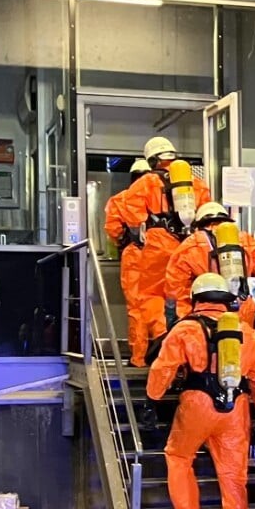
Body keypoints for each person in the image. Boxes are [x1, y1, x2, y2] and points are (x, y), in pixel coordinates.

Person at [146, 272, 255, 509]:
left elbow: (163, 368)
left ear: (196, 298)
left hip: (197, 403)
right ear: (226, 300)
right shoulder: (249, 334)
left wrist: (152, 398)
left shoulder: (185, 329)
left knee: (178, 456)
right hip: (235, 409)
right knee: (234, 484)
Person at [116, 137, 212, 339]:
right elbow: (206, 218)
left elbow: (131, 215)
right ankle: (187, 338)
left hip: (158, 245)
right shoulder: (197, 184)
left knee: (152, 295)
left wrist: (136, 237)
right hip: (190, 245)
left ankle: (163, 338)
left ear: (152, 160)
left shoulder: (146, 183)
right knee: (184, 294)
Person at [164, 201, 255, 334]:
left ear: (199, 223)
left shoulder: (190, 244)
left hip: (206, 311)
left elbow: (174, 286)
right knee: (242, 343)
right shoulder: (249, 241)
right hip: (242, 308)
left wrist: (173, 318)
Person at [104, 157, 153, 367]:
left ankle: (139, 357)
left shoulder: (120, 199)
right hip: (162, 256)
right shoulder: (163, 198)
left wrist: (124, 242)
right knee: (162, 306)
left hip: (135, 256)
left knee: (136, 308)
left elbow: (113, 229)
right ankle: (162, 354)